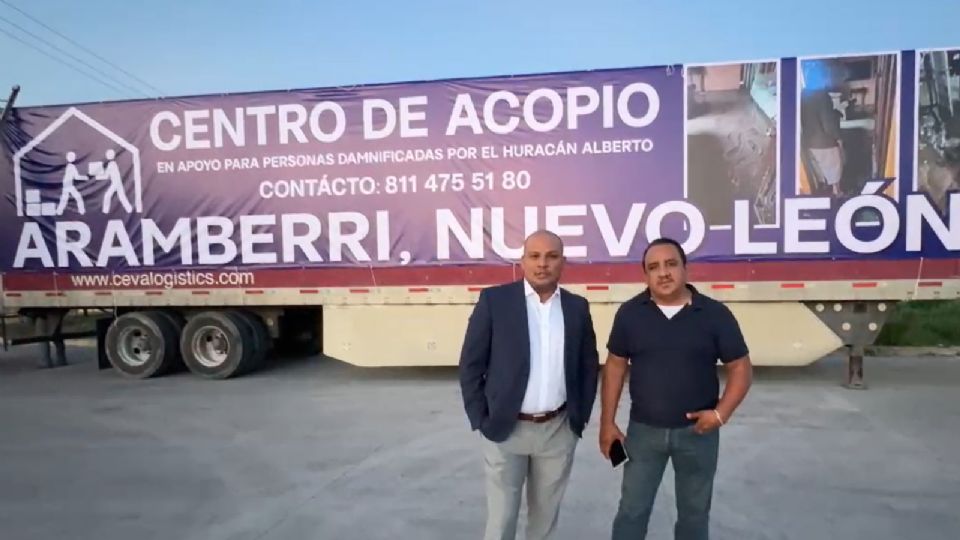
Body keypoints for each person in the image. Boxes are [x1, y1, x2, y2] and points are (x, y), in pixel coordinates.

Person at [599, 237, 753, 540]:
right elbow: (615, 366)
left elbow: (741, 368)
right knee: (632, 511)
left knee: (694, 515)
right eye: (653, 267)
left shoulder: (714, 315)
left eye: (671, 264)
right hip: (643, 433)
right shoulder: (630, 314)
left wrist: (720, 415)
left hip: (698, 434)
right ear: (645, 275)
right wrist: (607, 423)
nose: (663, 273)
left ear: (686, 269)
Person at [459, 230, 600, 540]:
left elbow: (588, 365)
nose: (542, 264)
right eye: (534, 256)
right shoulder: (495, 301)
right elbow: (471, 364)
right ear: (522, 261)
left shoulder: (577, 307)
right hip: (505, 430)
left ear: (563, 262)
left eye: (551, 256)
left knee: (544, 523)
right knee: (501, 521)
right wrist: (481, 419)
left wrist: (578, 419)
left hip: (557, 430)